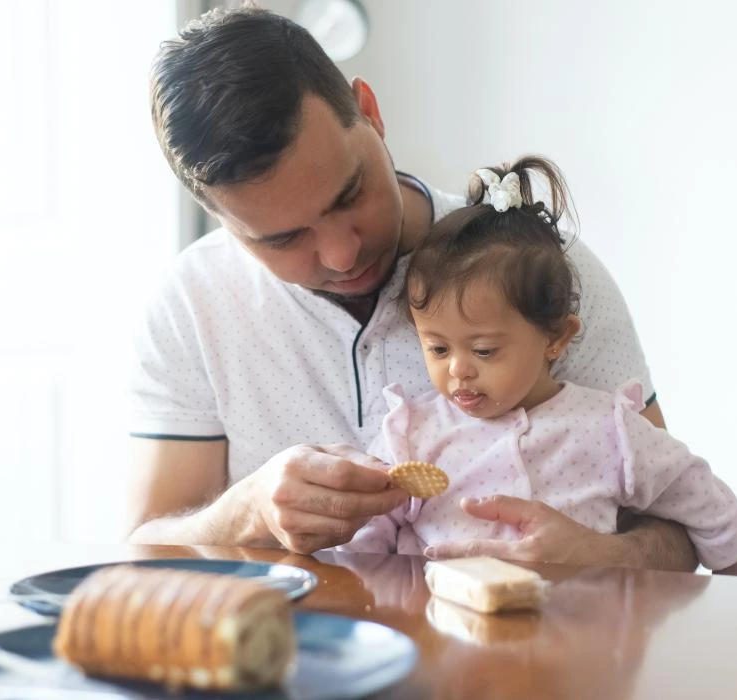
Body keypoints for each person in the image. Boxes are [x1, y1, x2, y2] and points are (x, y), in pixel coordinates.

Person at [126, 5, 697, 570]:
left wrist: (603, 554)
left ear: (370, 112)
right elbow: (146, 552)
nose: (341, 253)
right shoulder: (191, 304)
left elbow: (683, 533)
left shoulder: (541, 270)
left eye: (349, 194)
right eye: (284, 239)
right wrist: (247, 512)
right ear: (224, 222)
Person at [336, 157, 737, 575]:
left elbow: (703, 499)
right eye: (438, 349)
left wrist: (732, 577)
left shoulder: (610, 429)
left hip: (583, 634)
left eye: (483, 351)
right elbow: (360, 549)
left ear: (555, 338)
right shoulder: (409, 438)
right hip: (445, 630)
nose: (458, 370)